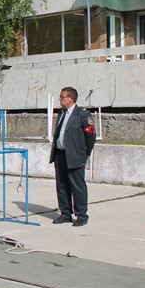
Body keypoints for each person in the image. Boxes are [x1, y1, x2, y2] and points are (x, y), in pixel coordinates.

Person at [49, 87, 97, 227]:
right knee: (62, 186)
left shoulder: (82, 114)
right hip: (60, 154)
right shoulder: (61, 112)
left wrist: (85, 152)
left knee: (77, 187)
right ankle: (65, 214)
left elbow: (91, 135)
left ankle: (81, 215)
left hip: (75, 155)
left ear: (71, 99)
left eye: (62, 97)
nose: (60, 99)